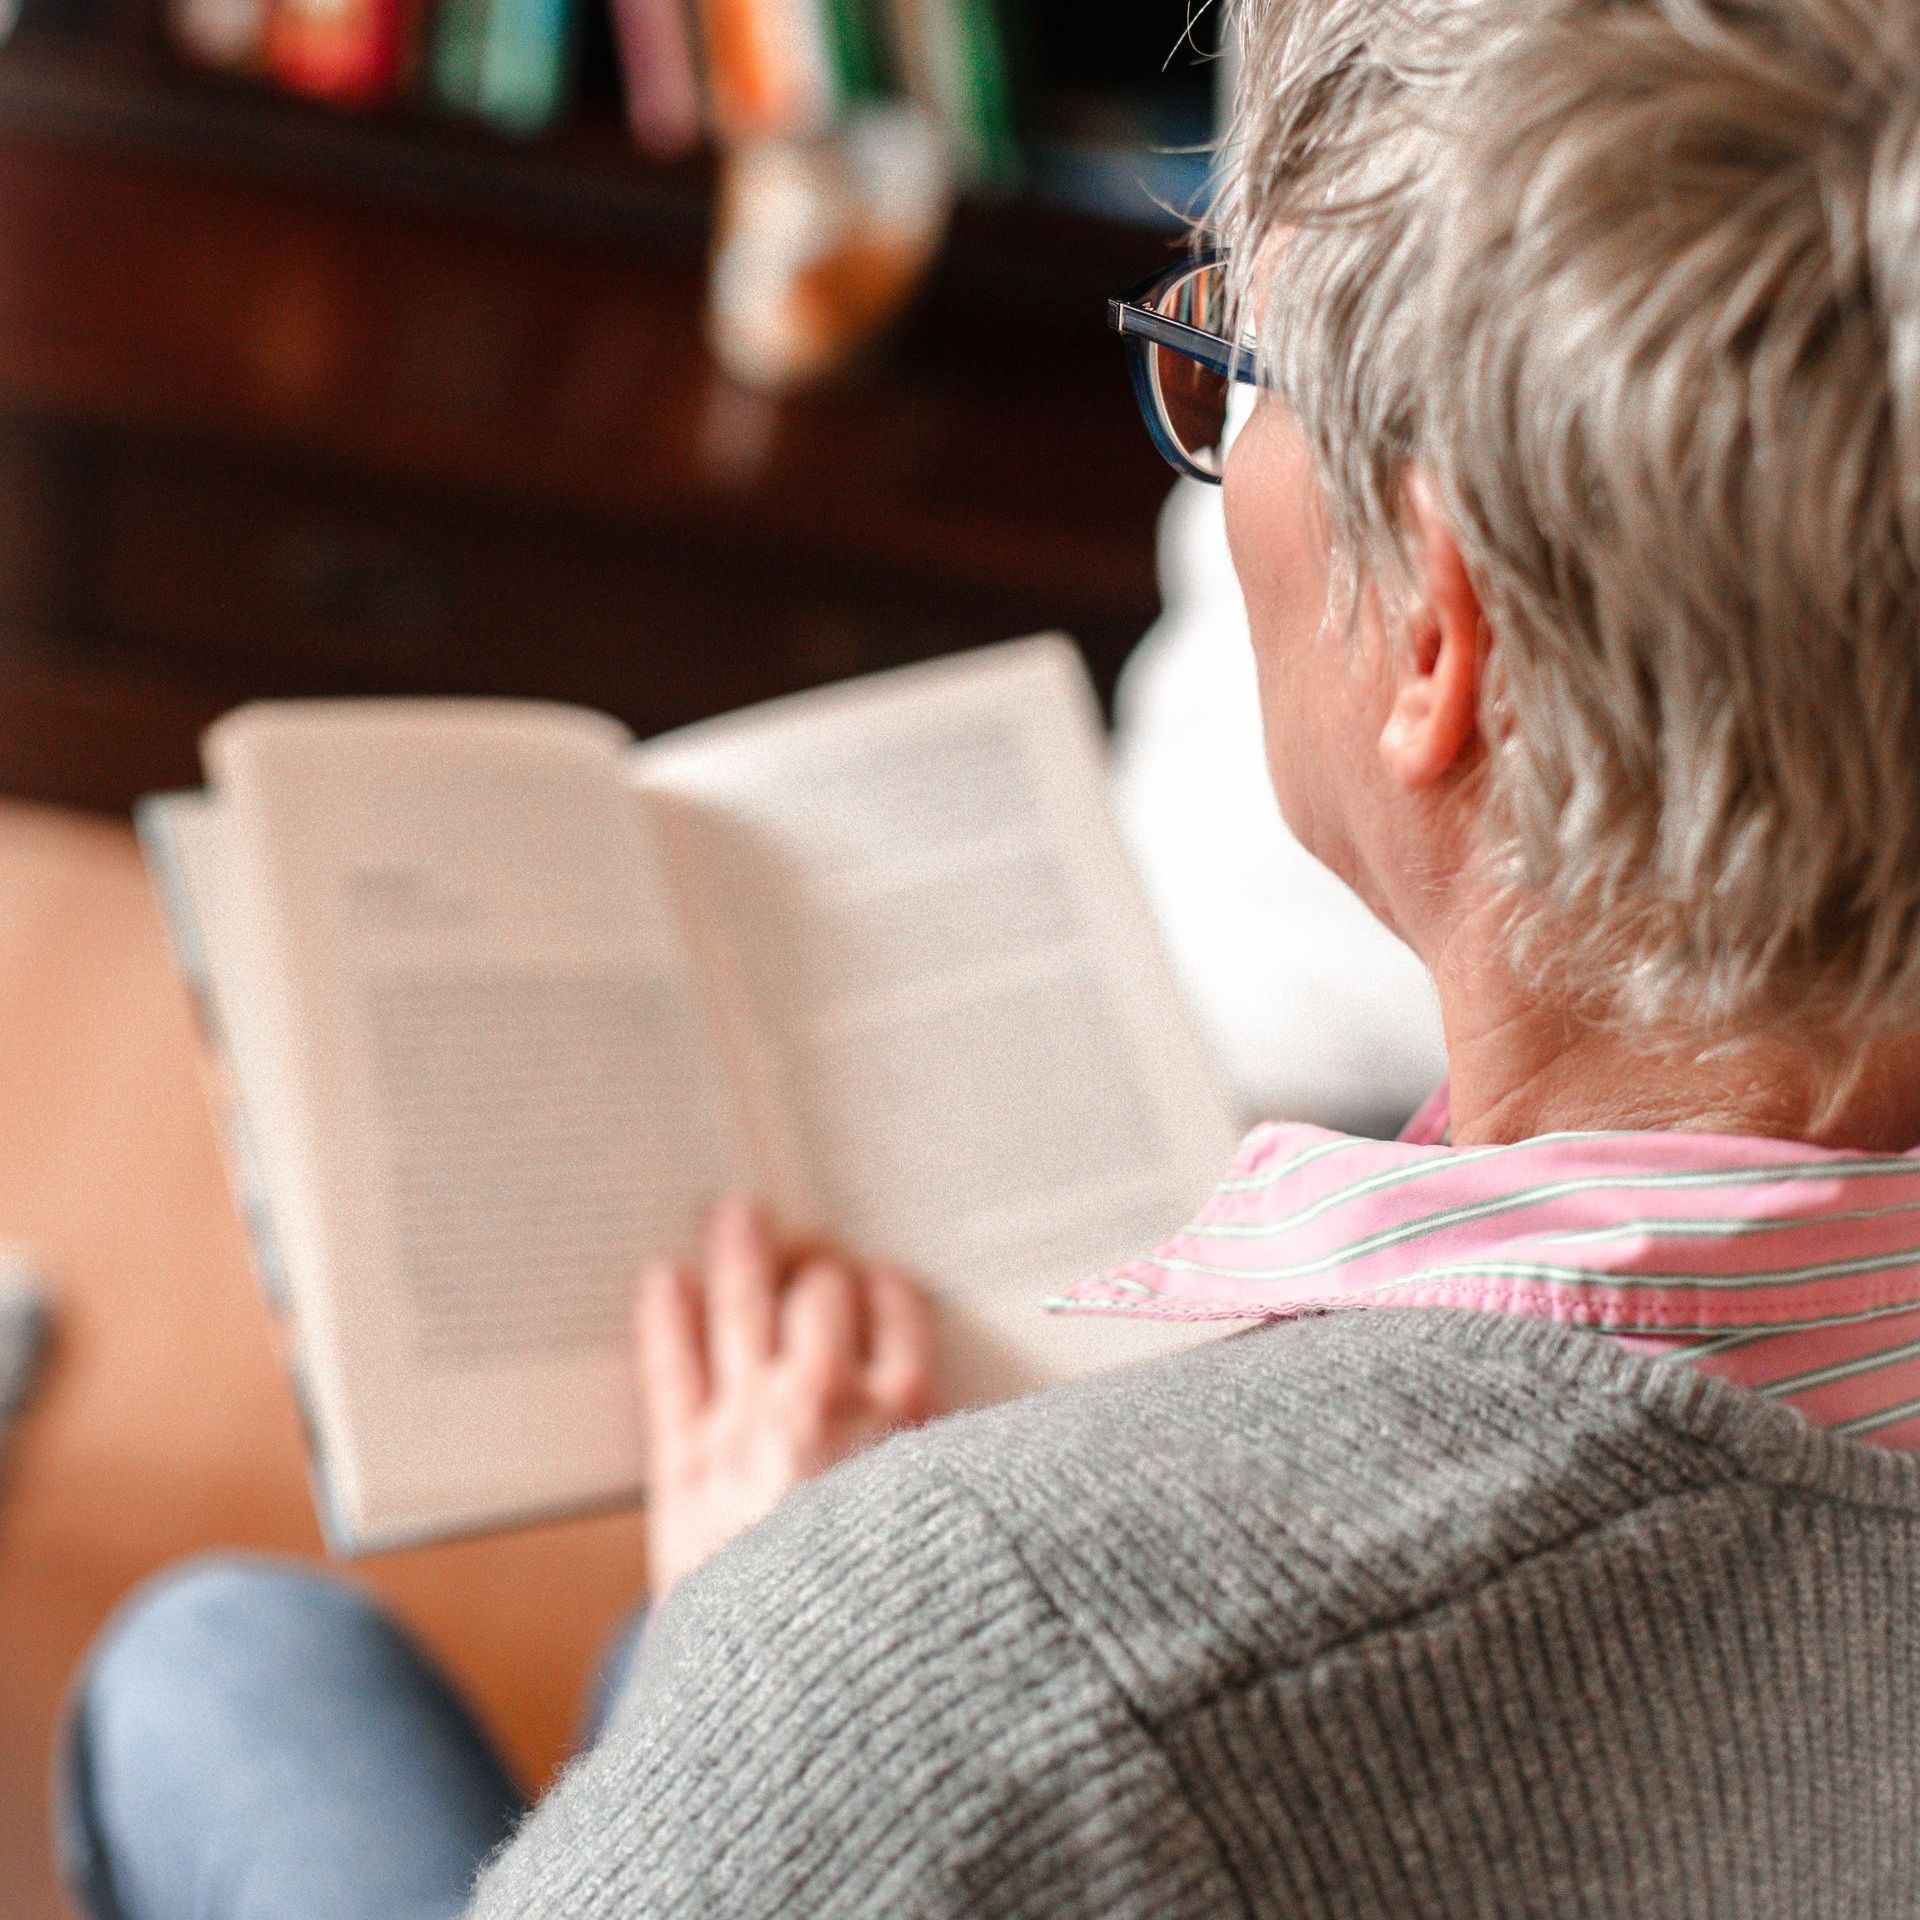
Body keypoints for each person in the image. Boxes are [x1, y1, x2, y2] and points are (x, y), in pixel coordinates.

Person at [60, 0, 1920, 1912]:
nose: (1218, 425)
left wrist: (753, 1648)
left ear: (1439, 635)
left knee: (210, 1664)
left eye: (1235, 367)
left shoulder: (959, 1656)